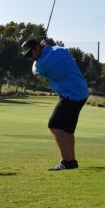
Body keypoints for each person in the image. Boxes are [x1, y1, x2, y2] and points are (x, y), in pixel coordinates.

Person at [21, 39, 90, 171]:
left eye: (30, 54)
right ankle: (72, 161)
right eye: (28, 56)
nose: (30, 58)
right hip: (81, 91)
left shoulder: (41, 63)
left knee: (54, 125)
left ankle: (67, 161)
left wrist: (37, 59)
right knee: (68, 129)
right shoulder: (60, 49)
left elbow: (35, 72)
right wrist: (45, 46)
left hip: (71, 94)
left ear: (37, 48)